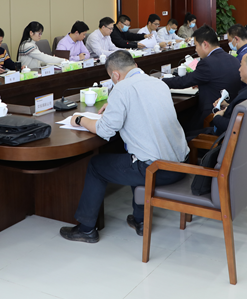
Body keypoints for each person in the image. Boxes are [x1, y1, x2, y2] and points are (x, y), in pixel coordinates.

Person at [59, 50, 188, 243]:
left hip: (157, 170)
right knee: (136, 153)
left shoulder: (121, 88)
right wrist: (113, 106)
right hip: (180, 164)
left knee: (97, 166)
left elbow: (104, 130)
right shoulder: (158, 83)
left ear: (115, 75)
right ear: (135, 66)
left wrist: (80, 119)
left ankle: (86, 229)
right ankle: (140, 220)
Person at [163, 25, 242, 132]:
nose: (195, 50)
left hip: (211, 117)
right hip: (229, 115)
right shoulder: (233, 59)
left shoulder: (207, 63)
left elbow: (184, 81)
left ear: (205, 44)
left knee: (179, 124)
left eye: (196, 45)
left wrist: (161, 81)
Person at [211, 51, 247, 135]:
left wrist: (217, 116)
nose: (239, 69)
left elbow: (234, 127)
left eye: (241, 65)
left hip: (225, 138)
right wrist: (228, 106)